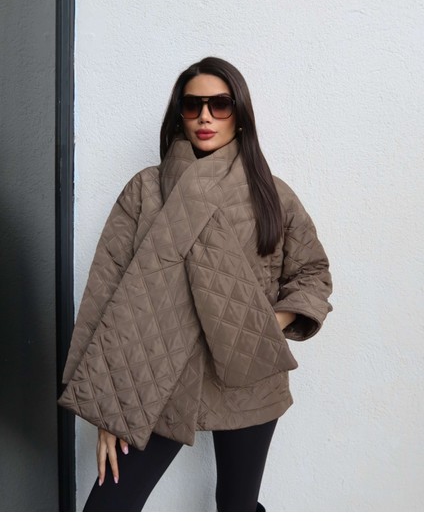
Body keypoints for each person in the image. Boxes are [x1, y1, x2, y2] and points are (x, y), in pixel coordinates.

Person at [59, 57, 332, 512]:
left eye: (219, 104)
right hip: (155, 377)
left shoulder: (271, 193)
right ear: (179, 115)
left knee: (237, 509)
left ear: (239, 115)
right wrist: (110, 405)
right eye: (193, 105)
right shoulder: (145, 190)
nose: (205, 116)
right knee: (108, 510)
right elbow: (104, 292)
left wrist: (265, 323)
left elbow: (312, 273)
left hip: (248, 378)